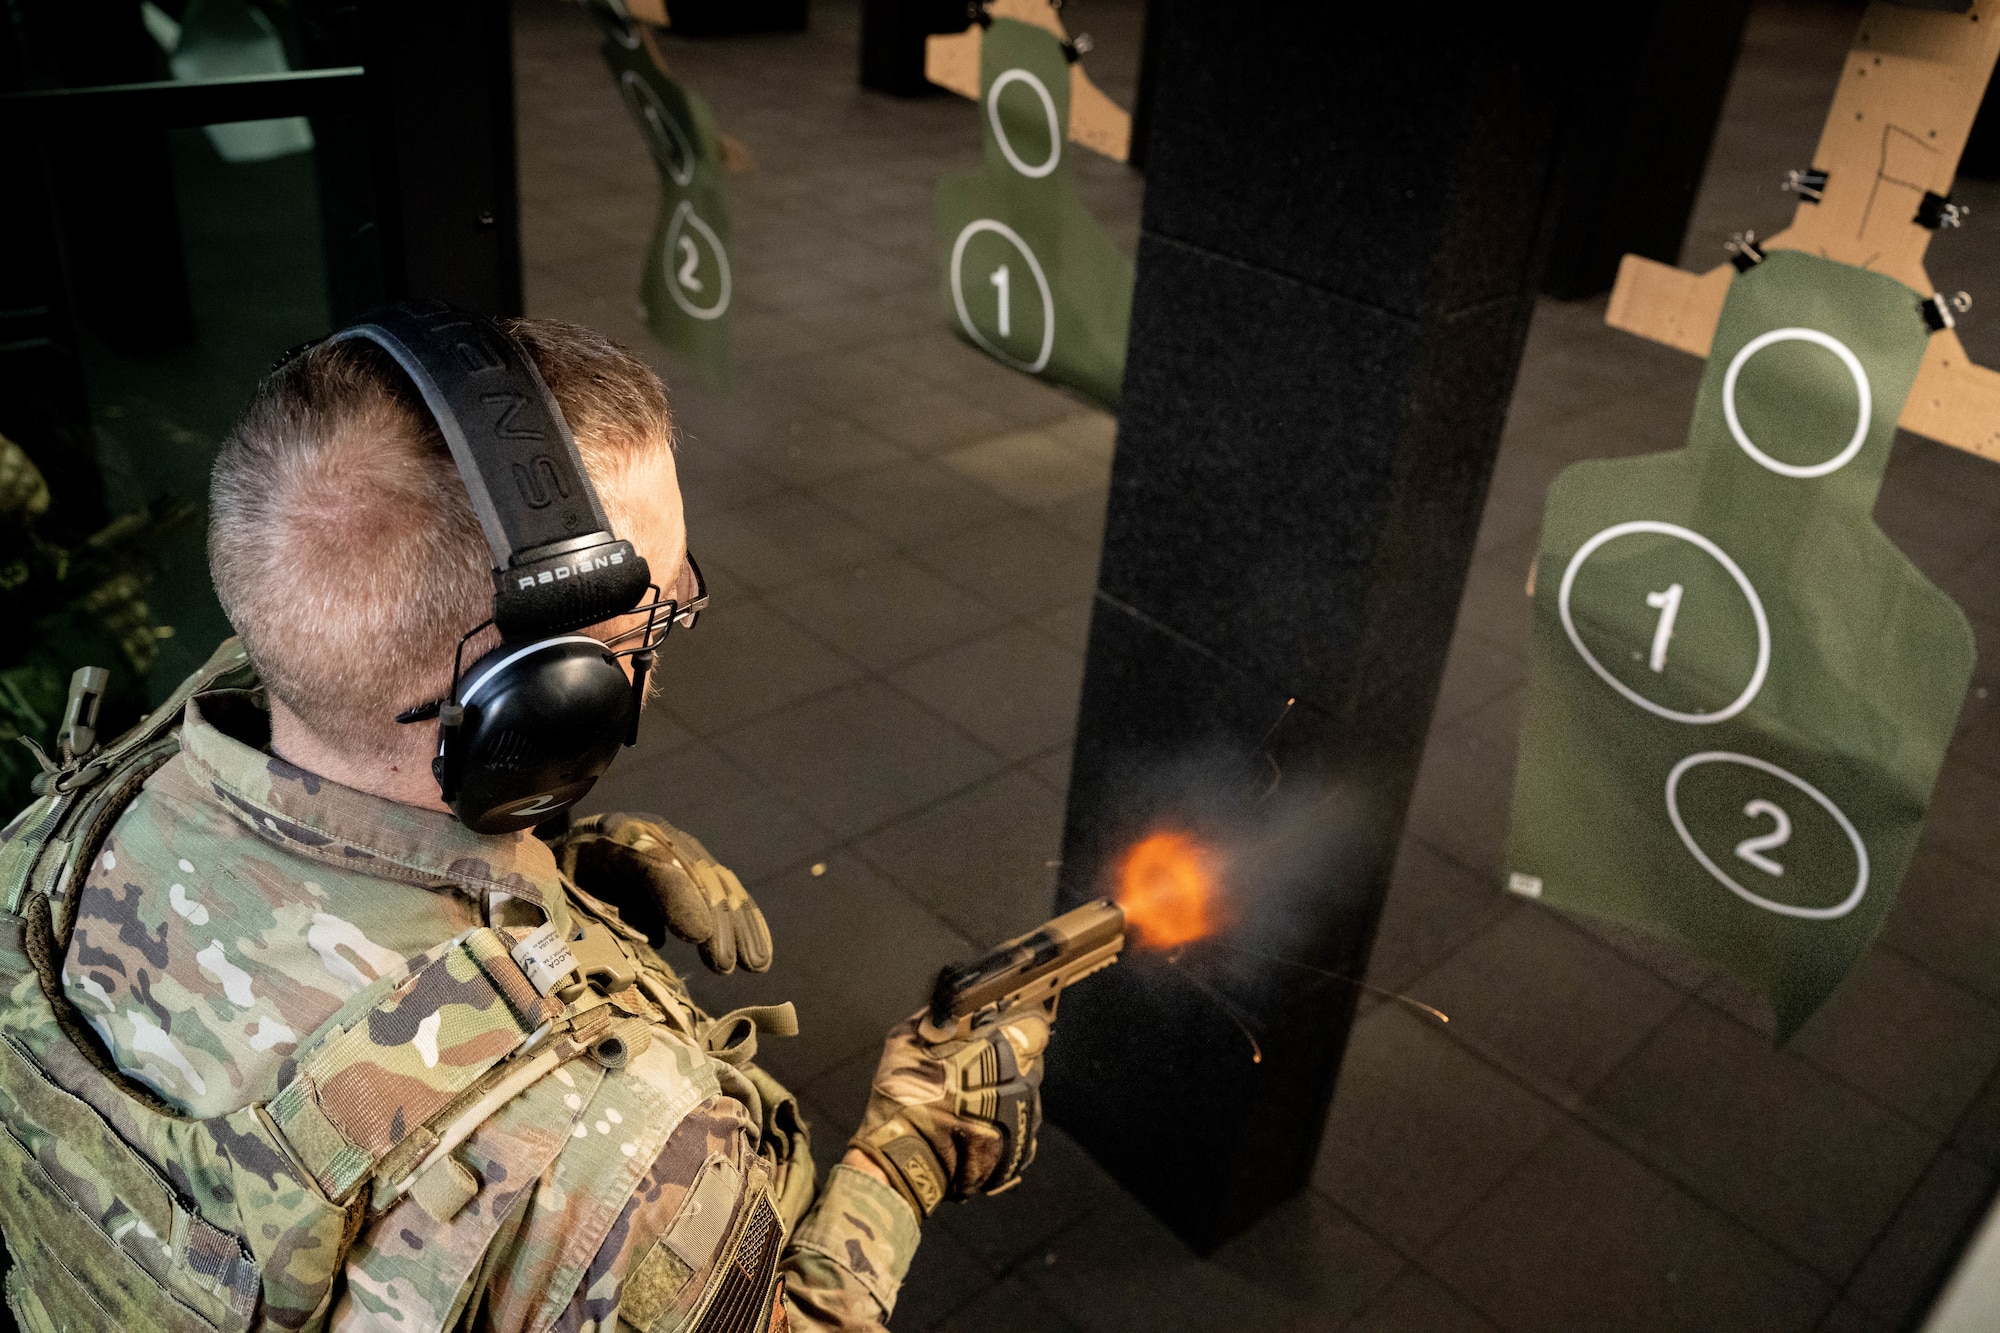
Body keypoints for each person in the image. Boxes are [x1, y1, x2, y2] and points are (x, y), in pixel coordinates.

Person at [27, 314, 1052, 1331]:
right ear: (550, 698)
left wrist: (562, 869)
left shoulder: (57, 841)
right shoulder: (614, 1156)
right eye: (659, 616)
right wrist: (907, 1153)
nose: (668, 635)